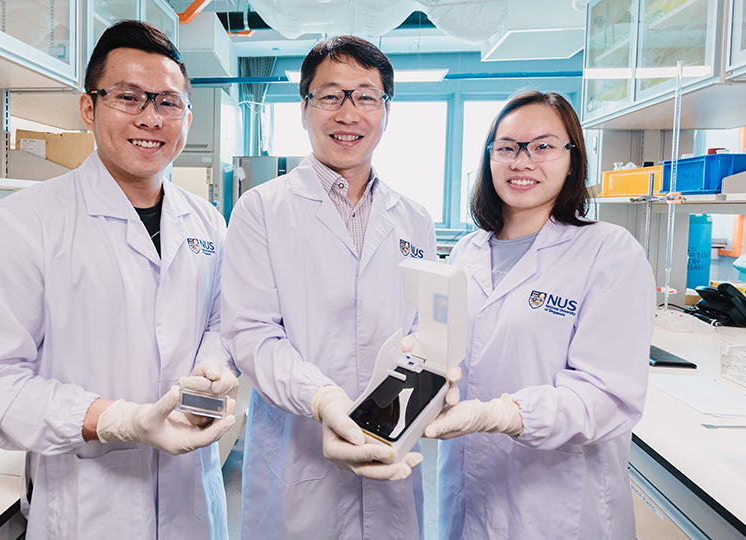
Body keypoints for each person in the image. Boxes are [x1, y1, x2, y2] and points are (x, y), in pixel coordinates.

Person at [0, 21, 238, 540]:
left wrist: (213, 366)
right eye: (129, 97)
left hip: (191, 500)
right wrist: (115, 420)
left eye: (168, 102)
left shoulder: (207, 221)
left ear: (187, 116)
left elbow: (219, 320)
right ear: (89, 107)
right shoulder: (21, 224)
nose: (151, 117)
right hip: (87, 509)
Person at [221, 36, 437, 540]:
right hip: (298, 457)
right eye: (330, 95)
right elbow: (251, 333)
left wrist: (407, 408)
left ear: (386, 111)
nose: (348, 113)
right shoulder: (261, 210)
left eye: (366, 96)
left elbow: (425, 332)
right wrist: (323, 399)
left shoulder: (414, 219)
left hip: (393, 452)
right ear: (304, 109)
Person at [423, 91, 655, 539]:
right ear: (489, 158)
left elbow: (609, 397)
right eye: (507, 147)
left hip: (556, 506)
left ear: (573, 159)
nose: (521, 161)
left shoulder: (609, 253)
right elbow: (453, 357)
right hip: (470, 490)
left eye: (543, 146)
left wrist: (506, 414)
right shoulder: (468, 251)